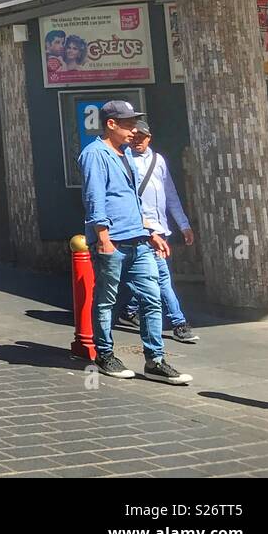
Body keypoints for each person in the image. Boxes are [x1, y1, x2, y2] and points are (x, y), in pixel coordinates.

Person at [81, 100, 192, 384]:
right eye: (128, 124)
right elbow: (95, 198)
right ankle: (104, 354)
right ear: (111, 124)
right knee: (106, 301)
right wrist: (103, 238)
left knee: (151, 298)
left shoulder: (127, 154)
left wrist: (151, 232)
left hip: (139, 238)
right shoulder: (95, 154)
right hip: (113, 241)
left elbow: (133, 198)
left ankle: (155, 359)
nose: (133, 131)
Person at [117, 120, 199, 344]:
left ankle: (129, 311)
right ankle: (178, 323)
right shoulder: (124, 160)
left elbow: (170, 194)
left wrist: (183, 224)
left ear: (149, 138)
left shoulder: (158, 161)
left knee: (149, 275)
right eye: (134, 137)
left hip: (160, 230)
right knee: (162, 278)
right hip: (141, 230)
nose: (137, 141)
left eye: (141, 137)